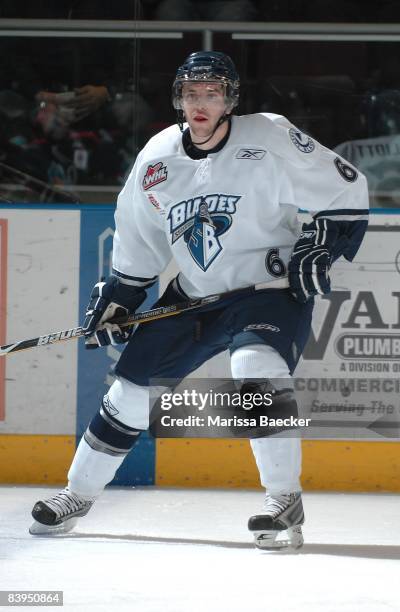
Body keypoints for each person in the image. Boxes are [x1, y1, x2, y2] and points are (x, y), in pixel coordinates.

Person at [29, 51, 369, 549]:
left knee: (256, 369)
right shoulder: (158, 157)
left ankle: (282, 499)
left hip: (267, 292)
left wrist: (322, 244)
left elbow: (344, 188)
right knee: (129, 390)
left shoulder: (270, 136)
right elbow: (138, 236)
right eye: (192, 93)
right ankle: (75, 495)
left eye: (212, 93)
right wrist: (121, 293)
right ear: (179, 99)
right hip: (192, 296)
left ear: (230, 99)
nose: (201, 103)